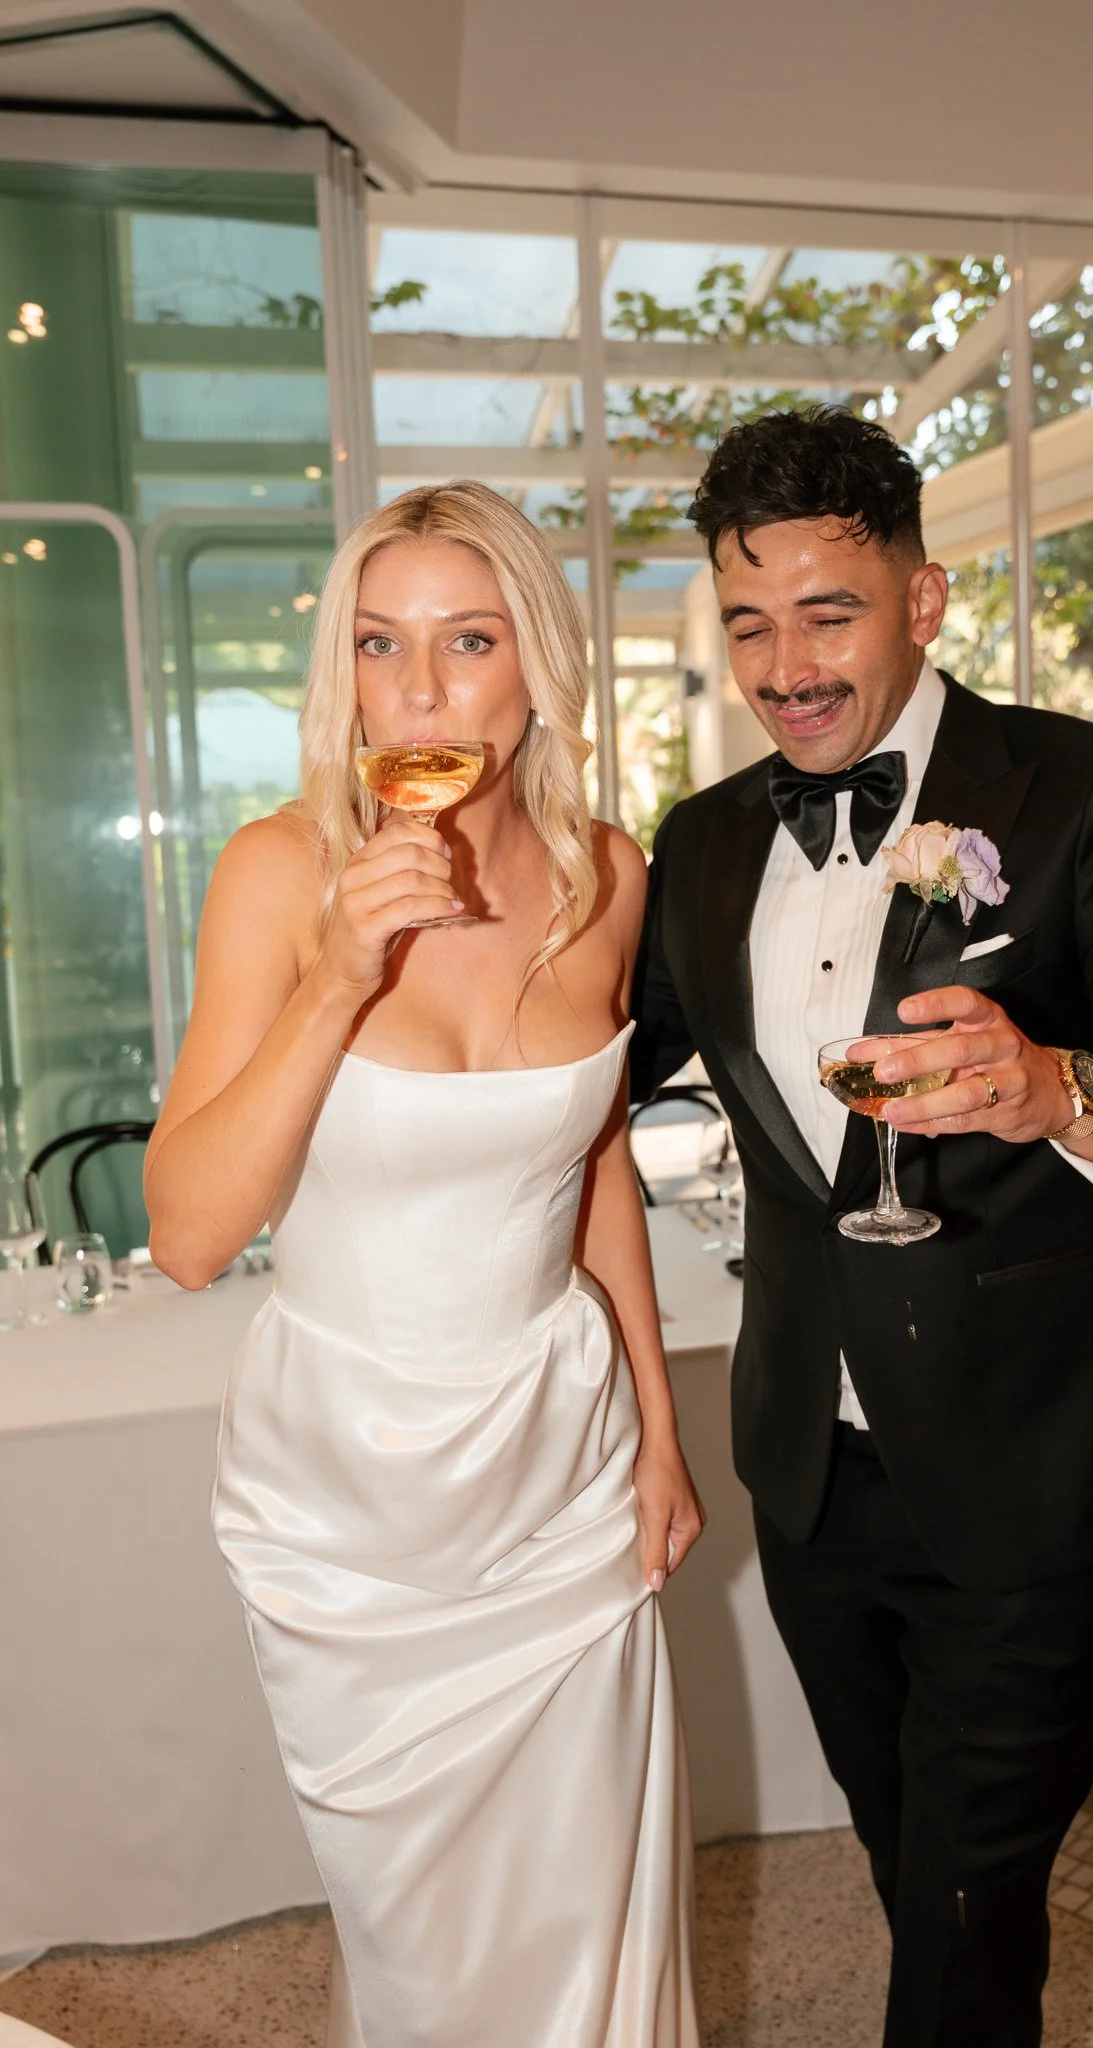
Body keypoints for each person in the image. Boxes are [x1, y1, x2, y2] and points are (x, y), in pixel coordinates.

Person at [630, 407, 1093, 2048]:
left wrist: (1060, 1086)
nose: (785, 665)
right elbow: (579, 1063)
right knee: (918, 1863)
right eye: (747, 621)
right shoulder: (705, 842)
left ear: (925, 602)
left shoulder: (1088, 790)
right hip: (811, 1470)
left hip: (1037, 1461)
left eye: (830, 612)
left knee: (965, 1894)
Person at [144, 483, 703, 2048]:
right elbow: (187, 1236)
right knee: (425, 1950)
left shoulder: (606, 870)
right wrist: (336, 978)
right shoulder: (278, 870)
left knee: (590, 1905)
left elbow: (593, 1167)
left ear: (538, 669)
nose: (424, 689)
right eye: (382, 647)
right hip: (353, 1510)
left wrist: (659, 1435)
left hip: (562, 1477)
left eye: (470, 641)